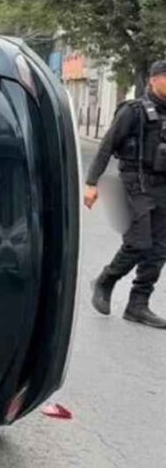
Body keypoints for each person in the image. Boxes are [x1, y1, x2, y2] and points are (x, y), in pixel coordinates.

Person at [84, 59, 166, 329]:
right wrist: (92, 182)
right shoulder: (134, 111)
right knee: (139, 242)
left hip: (162, 187)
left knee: (158, 250)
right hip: (134, 183)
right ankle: (106, 279)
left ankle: (138, 305)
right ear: (153, 79)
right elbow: (107, 145)